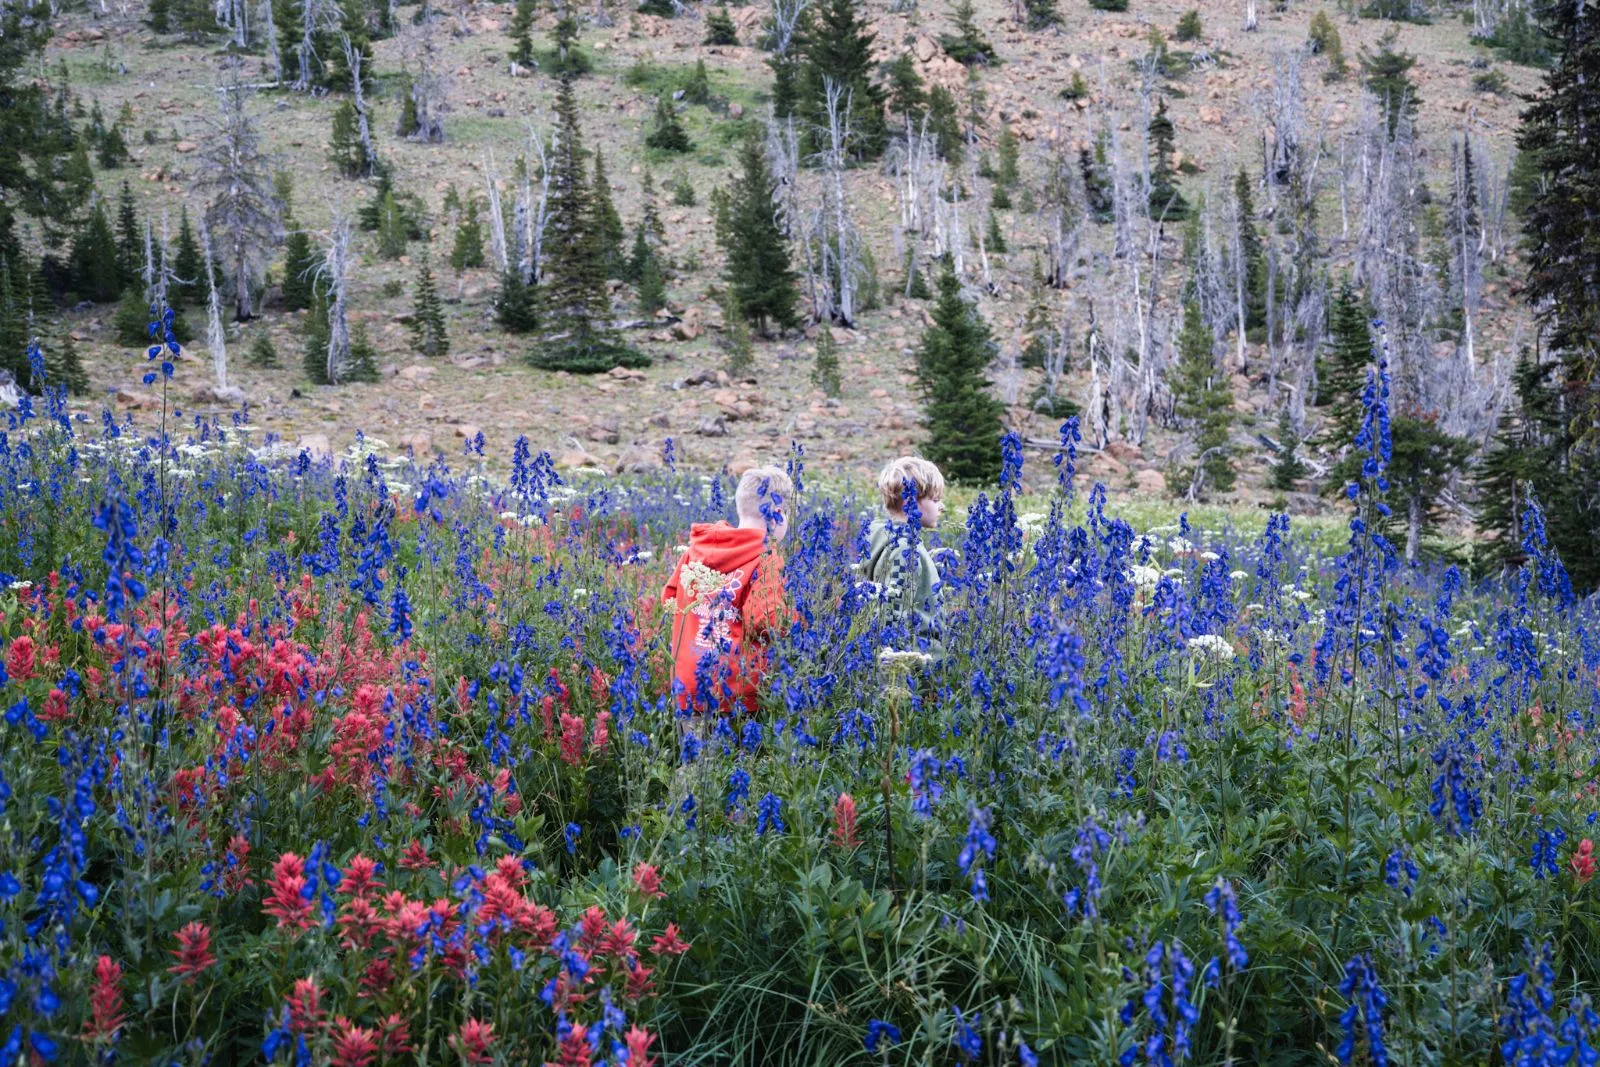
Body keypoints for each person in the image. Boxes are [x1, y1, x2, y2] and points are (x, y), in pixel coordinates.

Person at [662, 465, 793, 716]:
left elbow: (669, 597)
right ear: (777, 514)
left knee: (694, 755)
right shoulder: (766, 557)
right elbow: (766, 622)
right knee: (734, 755)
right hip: (734, 694)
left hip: (687, 685)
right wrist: (799, 619)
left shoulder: (697, 549)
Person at [862, 456, 946, 656]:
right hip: (913, 662)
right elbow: (892, 612)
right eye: (935, 500)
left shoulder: (885, 539)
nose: (941, 506)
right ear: (910, 499)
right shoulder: (904, 549)